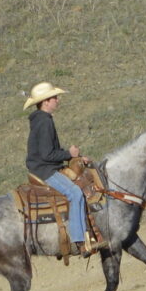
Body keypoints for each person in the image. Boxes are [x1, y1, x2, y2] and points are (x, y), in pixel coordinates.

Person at [23, 82, 94, 253]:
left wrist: (75, 157)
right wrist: (69, 153)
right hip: (45, 170)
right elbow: (47, 155)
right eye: (54, 97)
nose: (57, 100)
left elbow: (50, 151)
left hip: (44, 166)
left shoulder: (41, 120)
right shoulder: (45, 122)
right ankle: (79, 241)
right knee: (75, 193)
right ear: (45, 102)